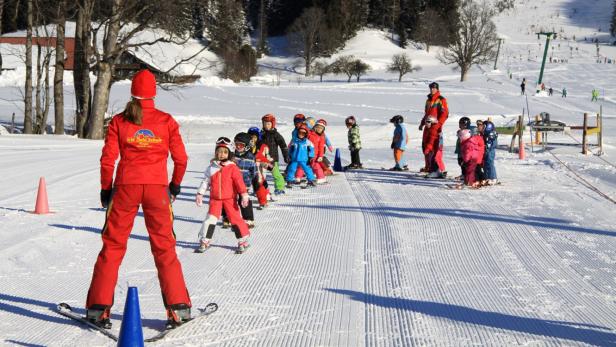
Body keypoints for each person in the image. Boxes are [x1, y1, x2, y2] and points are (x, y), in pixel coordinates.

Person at [87, 69, 191, 329]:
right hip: (157, 188)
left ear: (133, 91)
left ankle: (99, 309)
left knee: (112, 246)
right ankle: (178, 308)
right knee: (164, 247)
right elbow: (181, 159)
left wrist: (105, 189)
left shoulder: (120, 121)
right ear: (153, 92)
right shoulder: (166, 121)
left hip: (125, 188)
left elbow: (108, 159)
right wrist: (175, 186)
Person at [195, 137, 251, 254]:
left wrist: (244, 195)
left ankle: (243, 241)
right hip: (215, 200)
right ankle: (205, 241)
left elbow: (239, 183)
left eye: (225, 152)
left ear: (229, 153)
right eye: (219, 151)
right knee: (210, 220)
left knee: (235, 219)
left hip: (229, 199)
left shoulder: (232, 167)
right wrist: (200, 193)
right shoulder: (212, 167)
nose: (221, 154)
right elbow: (206, 181)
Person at [221, 133, 256, 228]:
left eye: (241, 145)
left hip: (244, 185)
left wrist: (250, 181)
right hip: (230, 184)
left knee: (244, 201)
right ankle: (227, 217)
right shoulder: (231, 156)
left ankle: (248, 219)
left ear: (247, 146)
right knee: (228, 200)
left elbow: (254, 172)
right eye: (236, 144)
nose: (238, 147)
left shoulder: (251, 157)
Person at [420, 82, 448, 178]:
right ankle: (429, 167)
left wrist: (438, 124)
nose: (432, 90)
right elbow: (427, 113)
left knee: (433, 149)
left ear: (437, 89)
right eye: (431, 88)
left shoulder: (441, 100)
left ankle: (437, 169)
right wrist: (422, 123)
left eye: (434, 88)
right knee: (425, 148)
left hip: (435, 127)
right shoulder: (428, 100)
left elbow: (445, 114)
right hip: (427, 127)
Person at [260, 114, 290, 194]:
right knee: (261, 175)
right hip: (262, 159)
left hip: (272, 160)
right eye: (265, 123)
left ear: (272, 124)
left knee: (276, 174)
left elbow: (283, 146)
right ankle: (261, 189)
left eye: (268, 124)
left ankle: (280, 187)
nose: (266, 125)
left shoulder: (276, 135)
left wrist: (286, 155)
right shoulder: (261, 134)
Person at [482, 120, 499, 185]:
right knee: (486, 164)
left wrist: (489, 148)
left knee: (490, 164)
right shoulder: (485, 134)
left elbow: (494, 143)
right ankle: (487, 177)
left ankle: (493, 178)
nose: (483, 128)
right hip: (486, 151)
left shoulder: (491, 133)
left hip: (490, 151)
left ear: (488, 127)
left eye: (484, 127)